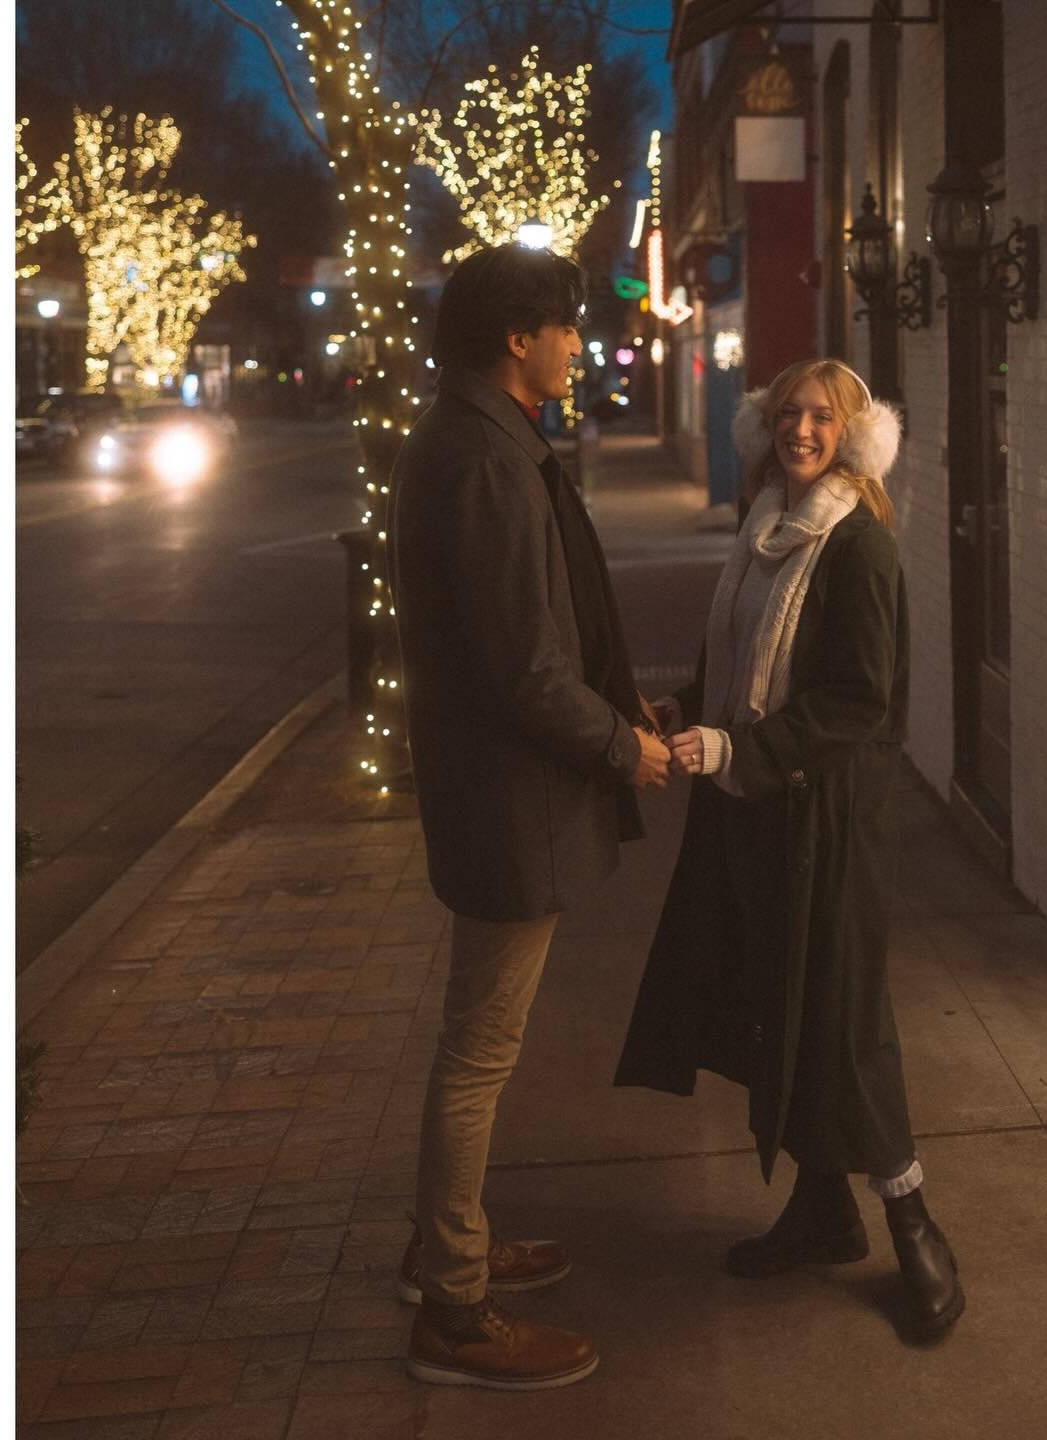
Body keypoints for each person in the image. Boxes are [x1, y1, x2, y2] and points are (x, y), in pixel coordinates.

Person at [615, 358, 964, 1338]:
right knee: (781, 1002)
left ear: (852, 435)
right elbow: (740, 642)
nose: (799, 430)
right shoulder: (765, 522)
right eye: (785, 415)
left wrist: (739, 745)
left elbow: (860, 700)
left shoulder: (856, 543)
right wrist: (695, 701)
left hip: (827, 824)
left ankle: (915, 1227)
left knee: (846, 1019)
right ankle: (820, 1211)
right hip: (753, 809)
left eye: (820, 417)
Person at [387, 243, 671, 1389]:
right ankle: (453, 1308)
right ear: (519, 338)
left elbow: (538, 638)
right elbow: (523, 668)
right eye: (562, 329)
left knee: (478, 1044)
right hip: (511, 804)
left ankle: (447, 1248)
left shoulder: (476, 439)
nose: (574, 346)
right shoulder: (488, 460)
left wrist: (615, 702)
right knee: (479, 1051)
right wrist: (623, 747)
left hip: (497, 794)